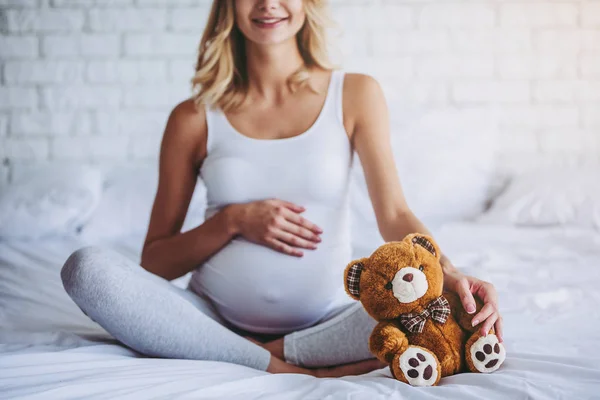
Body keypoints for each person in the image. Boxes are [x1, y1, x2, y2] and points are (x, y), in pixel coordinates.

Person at [60, 0, 503, 378]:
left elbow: (394, 214)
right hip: (213, 319)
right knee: (85, 269)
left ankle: (267, 356)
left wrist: (447, 270)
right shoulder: (193, 117)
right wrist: (233, 222)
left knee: (449, 299)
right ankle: (283, 365)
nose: (268, 3)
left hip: (331, 321)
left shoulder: (354, 94)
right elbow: (155, 261)